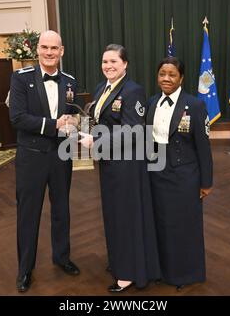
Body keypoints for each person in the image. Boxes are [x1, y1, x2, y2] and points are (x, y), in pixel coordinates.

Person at [80, 44, 160, 292]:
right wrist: (85, 130)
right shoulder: (101, 88)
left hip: (127, 165)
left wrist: (96, 141)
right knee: (113, 215)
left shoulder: (133, 90)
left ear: (125, 64)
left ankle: (128, 274)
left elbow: (133, 131)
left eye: (114, 61)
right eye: (105, 61)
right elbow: (100, 121)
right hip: (109, 163)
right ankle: (119, 261)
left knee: (126, 217)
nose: (108, 66)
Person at [9, 30, 80, 293]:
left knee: (62, 210)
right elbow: (17, 118)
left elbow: (72, 114)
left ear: (62, 51)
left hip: (62, 157)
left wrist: (73, 122)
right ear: (37, 50)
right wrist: (53, 125)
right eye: (44, 47)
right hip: (31, 158)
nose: (49, 52)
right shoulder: (20, 78)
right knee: (28, 215)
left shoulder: (70, 81)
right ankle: (25, 269)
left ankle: (62, 258)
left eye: (54, 48)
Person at [146, 57, 213, 290]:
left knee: (184, 225)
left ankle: (186, 274)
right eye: (162, 73)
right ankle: (162, 270)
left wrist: (206, 182)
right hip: (156, 173)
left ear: (181, 78)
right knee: (161, 223)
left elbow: (203, 147)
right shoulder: (151, 102)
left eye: (172, 74)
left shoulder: (194, 105)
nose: (166, 78)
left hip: (185, 176)